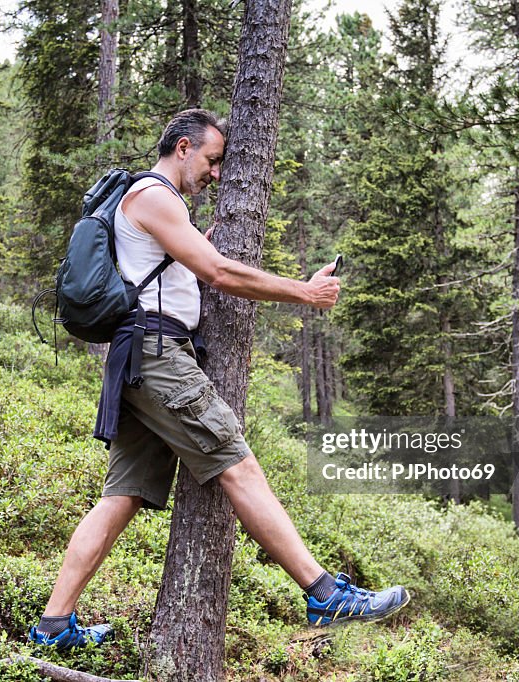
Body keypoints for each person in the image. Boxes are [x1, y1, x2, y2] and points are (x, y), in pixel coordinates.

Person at [29, 109, 409, 649]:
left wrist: (194, 245)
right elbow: (220, 273)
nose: (216, 173)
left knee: (123, 494)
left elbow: (173, 270)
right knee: (237, 461)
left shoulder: (159, 209)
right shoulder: (155, 195)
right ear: (182, 148)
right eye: (211, 160)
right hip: (157, 355)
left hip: (136, 359)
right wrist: (303, 292)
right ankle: (325, 593)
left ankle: (52, 627)